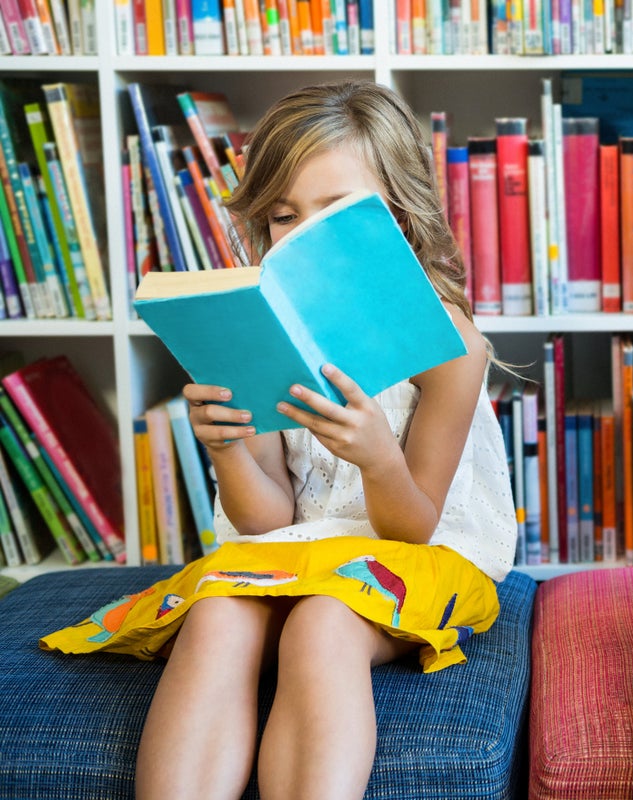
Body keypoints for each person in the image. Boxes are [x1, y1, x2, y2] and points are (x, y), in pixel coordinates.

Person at [41, 80, 518, 800]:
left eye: (335, 214)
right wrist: (228, 446)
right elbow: (266, 520)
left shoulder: (447, 344)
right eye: (282, 218)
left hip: (420, 552)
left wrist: (376, 456)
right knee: (215, 620)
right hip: (293, 549)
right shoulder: (261, 327)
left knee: (323, 626)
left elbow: (412, 527)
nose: (299, 240)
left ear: (402, 217)